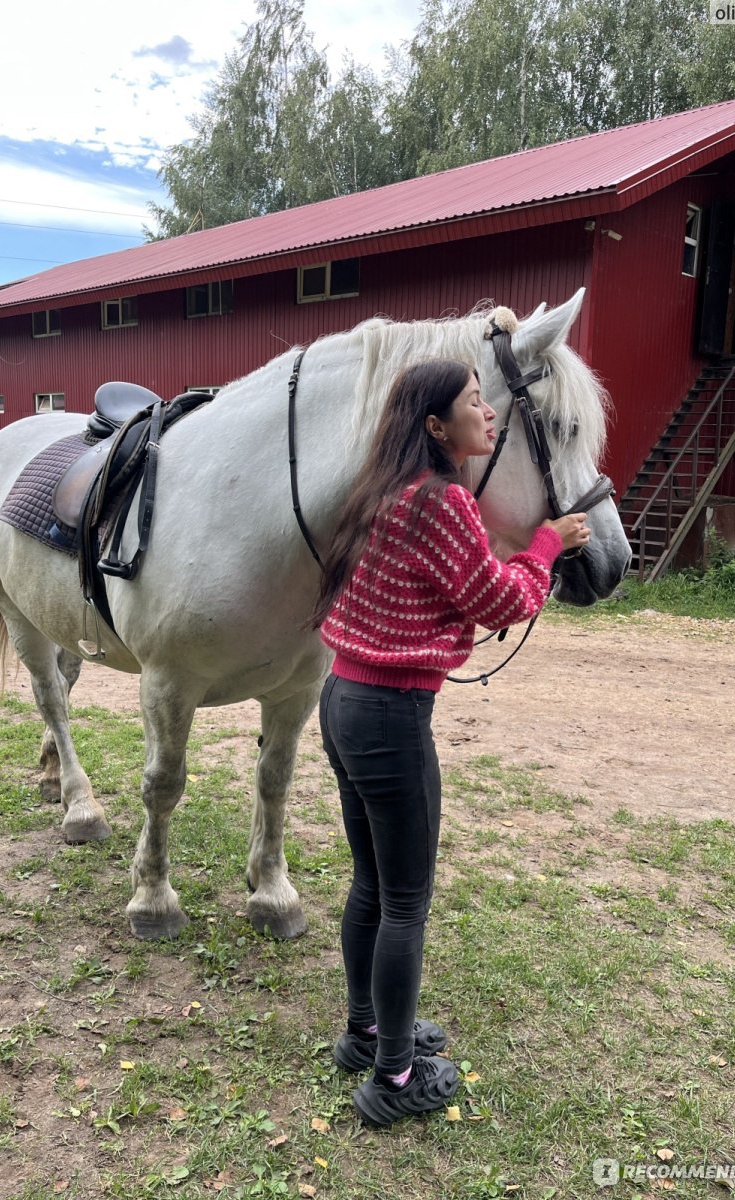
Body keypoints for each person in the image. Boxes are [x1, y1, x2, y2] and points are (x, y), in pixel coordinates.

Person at [310, 358, 590, 1127]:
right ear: (437, 427)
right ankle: (395, 1079)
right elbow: (495, 599)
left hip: (343, 699)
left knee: (371, 885)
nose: (489, 414)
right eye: (474, 403)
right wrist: (545, 546)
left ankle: (366, 1033)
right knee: (406, 901)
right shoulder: (443, 504)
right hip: (391, 717)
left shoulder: (386, 490)